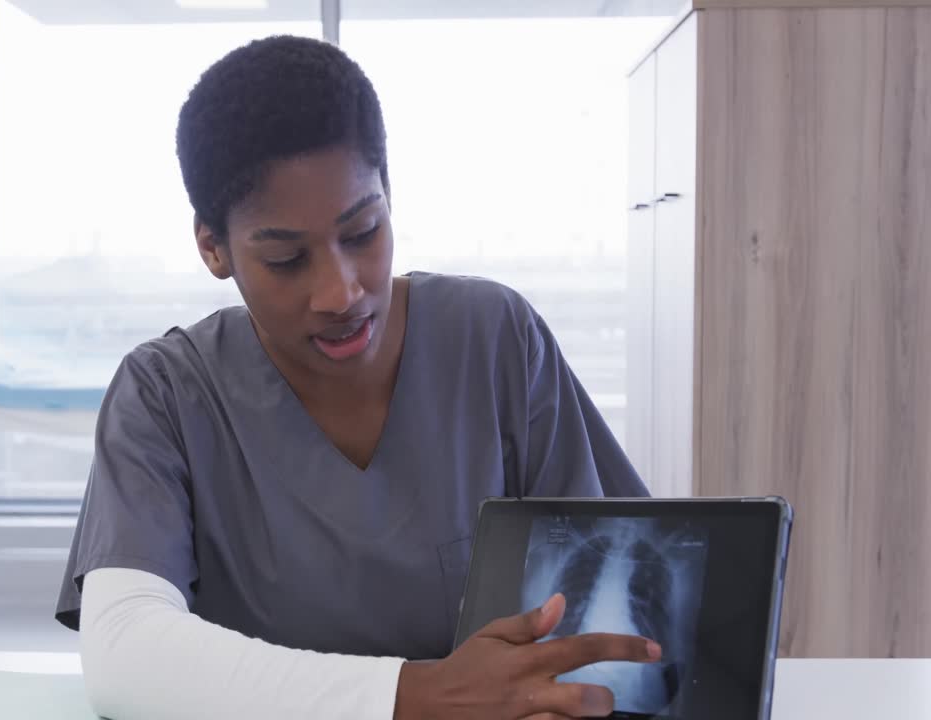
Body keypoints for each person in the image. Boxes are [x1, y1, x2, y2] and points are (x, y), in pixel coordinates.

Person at [55, 34, 656, 719]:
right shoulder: (164, 396)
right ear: (213, 248)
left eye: (363, 231)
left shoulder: (493, 339)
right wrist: (421, 697)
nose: (341, 292)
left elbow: (619, 597)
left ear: (389, 196)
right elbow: (125, 653)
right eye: (286, 260)